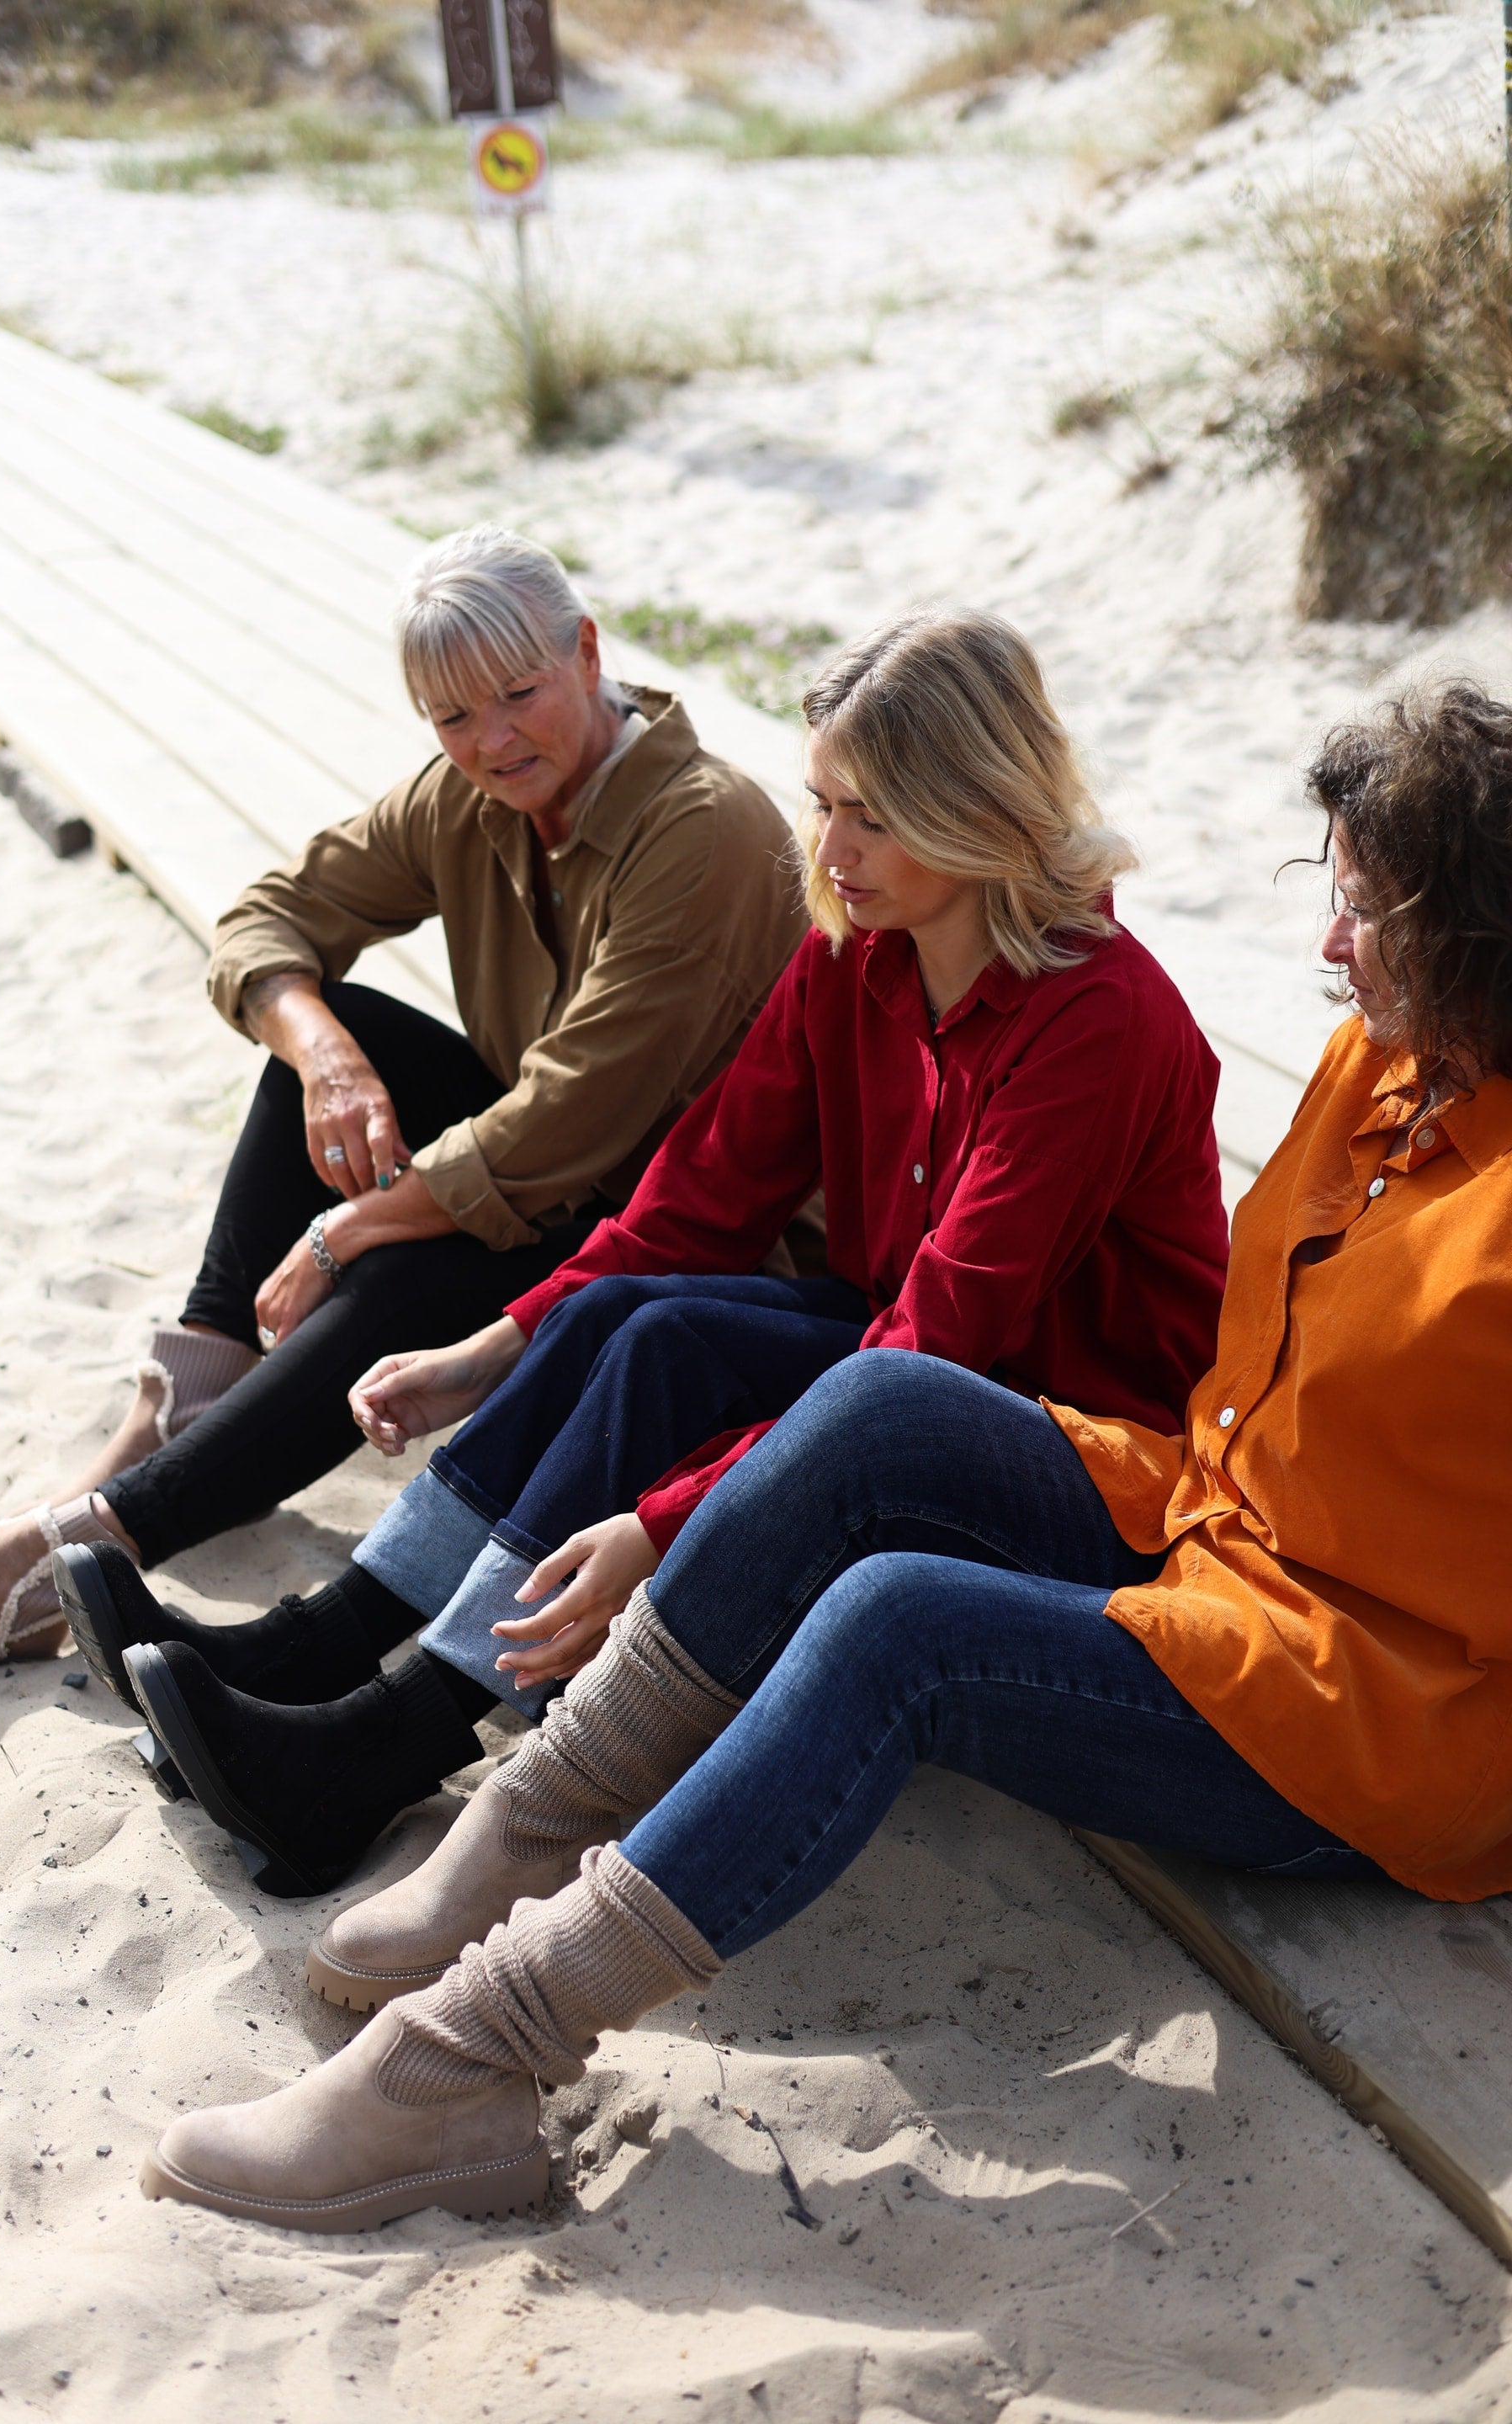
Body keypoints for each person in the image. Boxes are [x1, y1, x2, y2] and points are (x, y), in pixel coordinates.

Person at [135, 678, 1512, 2233]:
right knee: (861, 1411)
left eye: (1364, 911)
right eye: (1326, 897)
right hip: (1203, 1527)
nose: (1327, 948)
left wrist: (663, 1523)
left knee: (896, 1622)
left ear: (1475, 925)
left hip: (1366, 1718)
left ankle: (465, 2066)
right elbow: (731, 1209)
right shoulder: (1376, 1072)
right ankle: (517, 1830)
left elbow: (960, 1310)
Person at [65, 608, 1228, 1898]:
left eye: (873, 818)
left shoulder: (1101, 1022)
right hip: (910, 1368)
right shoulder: (858, 952)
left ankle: (372, 1753)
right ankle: (321, 1656)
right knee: (644, 1314)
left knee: (679, 1351)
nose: (829, 851)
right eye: (823, 801)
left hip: (1080, 1458)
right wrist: (492, 1348)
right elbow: (704, 1193)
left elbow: (940, 1342)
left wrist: (664, 1527)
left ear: (980, 809)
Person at [0, 526, 803, 1681]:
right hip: (567, 1179)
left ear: (586, 652)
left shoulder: (704, 825)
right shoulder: (467, 796)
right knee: (347, 1033)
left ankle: (85, 1550)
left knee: (414, 1265)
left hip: (699, 1241)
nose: (491, 741)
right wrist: (323, 1051)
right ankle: (195, 1398)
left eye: (518, 695)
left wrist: (344, 1227)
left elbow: (574, 1118)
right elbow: (268, 919)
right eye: (451, 717)